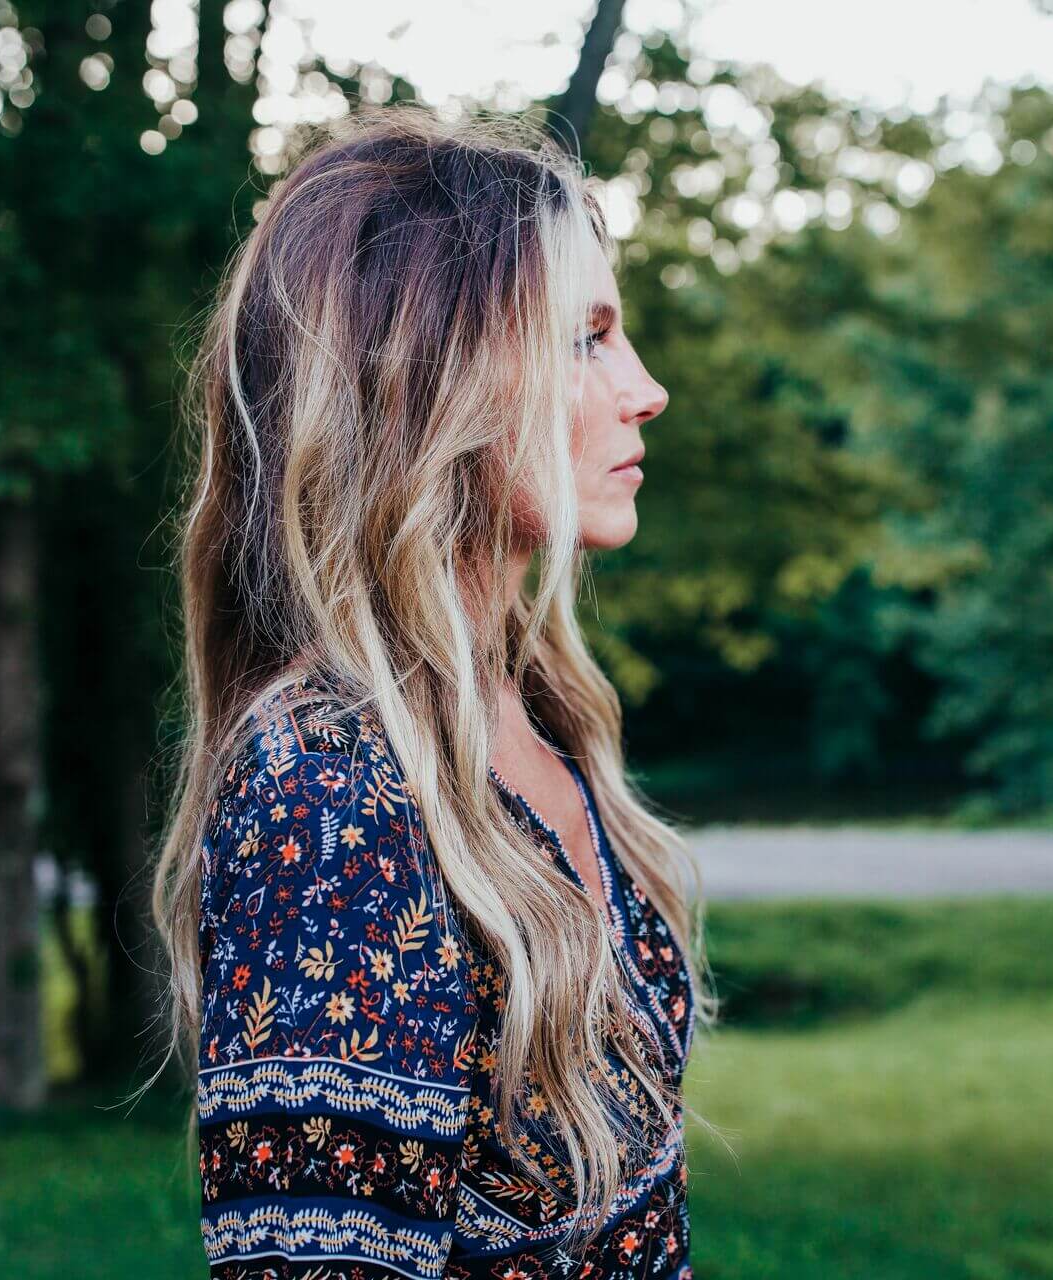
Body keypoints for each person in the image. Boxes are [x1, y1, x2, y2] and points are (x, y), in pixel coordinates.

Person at [151, 104, 711, 1280]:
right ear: (430, 378)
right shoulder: (327, 786)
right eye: (585, 340)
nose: (646, 389)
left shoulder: (540, 713)